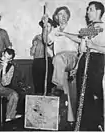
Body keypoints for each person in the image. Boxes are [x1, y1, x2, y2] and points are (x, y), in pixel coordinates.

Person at [42, 6, 80, 123]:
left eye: (64, 14)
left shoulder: (76, 26)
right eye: (59, 15)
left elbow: (83, 39)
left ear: (68, 16)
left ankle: (56, 86)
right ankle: (69, 119)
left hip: (71, 57)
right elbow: (46, 41)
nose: (62, 17)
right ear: (56, 18)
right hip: (59, 63)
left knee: (58, 59)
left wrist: (64, 34)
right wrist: (45, 27)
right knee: (65, 91)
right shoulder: (54, 30)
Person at [75, 1, 105, 130]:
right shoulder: (89, 28)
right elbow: (82, 49)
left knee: (95, 94)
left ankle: (97, 125)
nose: (87, 12)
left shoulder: (104, 28)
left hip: (97, 61)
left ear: (98, 12)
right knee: (82, 94)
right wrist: (84, 41)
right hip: (85, 61)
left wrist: (93, 46)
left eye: (90, 9)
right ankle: (84, 126)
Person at [30, 18, 56, 94]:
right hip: (37, 61)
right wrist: (34, 46)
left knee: (48, 85)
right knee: (37, 85)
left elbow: (53, 54)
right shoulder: (36, 37)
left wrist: (46, 44)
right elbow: (32, 53)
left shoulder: (53, 38)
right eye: (45, 26)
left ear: (52, 27)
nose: (46, 28)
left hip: (48, 62)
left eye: (48, 26)